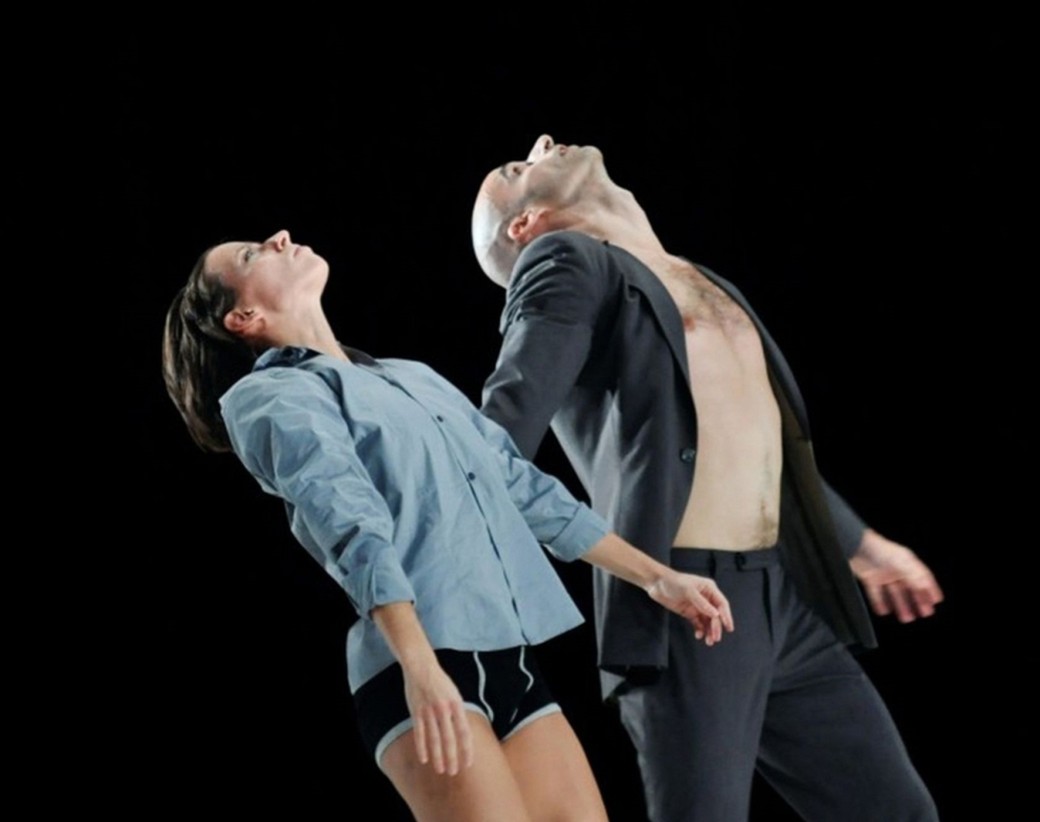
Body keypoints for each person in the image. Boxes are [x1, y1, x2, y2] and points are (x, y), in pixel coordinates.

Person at [161, 228, 735, 822]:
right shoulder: (270, 397)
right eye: (251, 254)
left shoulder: (411, 377)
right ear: (244, 317)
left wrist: (657, 577)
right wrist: (420, 669)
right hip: (418, 661)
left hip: (509, 658)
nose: (279, 238)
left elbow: (522, 486)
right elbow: (351, 528)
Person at [471, 135, 944, 821]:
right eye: (519, 167)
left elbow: (762, 445)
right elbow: (495, 443)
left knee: (897, 812)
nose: (542, 142)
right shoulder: (565, 260)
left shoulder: (696, 277)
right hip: (688, 609)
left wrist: (863, 545)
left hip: (782, 598)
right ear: (526, 224)